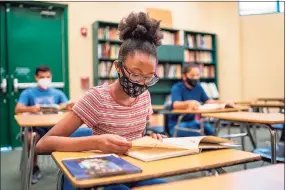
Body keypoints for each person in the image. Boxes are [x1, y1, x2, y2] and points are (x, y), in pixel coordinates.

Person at [36, 12, 166, 190]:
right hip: (106, 171)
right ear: (118, 67)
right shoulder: (97, 98)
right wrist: (96, 142)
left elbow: (135, 139)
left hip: (137, 168)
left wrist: (152, 141)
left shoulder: (145, 96)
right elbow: (43, 144)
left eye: (149, 77)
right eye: (135, 74)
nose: (141, 83)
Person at [15, 65, 75, 184]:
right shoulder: (29, 93)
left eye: (48, 77)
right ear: (36, 77)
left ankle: (68, 168)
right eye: (42, 77)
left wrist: (67, 106)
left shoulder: (57, 93)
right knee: (30, 138)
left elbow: (66, 106)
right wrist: (33, 109)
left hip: (54, 128)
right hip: (35, 129)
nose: (46, 80)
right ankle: (34, 168)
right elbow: (18, 109)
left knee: (72, 133)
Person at [168, 63, 235, 137]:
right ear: (184, 76)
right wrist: (189, 103)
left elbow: (208, 101)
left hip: (193, 122)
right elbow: (175, 104)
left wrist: (224, 102)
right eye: (192, 75)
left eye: (197, 75)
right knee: (201, 135)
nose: (195, 78)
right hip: (177, 125)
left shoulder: (198, 87)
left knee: (212, 132)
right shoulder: (177, 88)